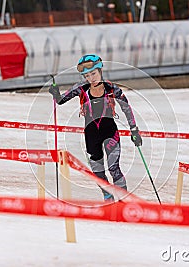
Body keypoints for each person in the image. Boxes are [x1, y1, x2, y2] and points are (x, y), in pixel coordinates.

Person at [48, 54, 142, 201]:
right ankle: (108, 197)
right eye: (87, 75)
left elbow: (126, 108)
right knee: (98, 172)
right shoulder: (81, 88)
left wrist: (134, 130)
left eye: (93, 73)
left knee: (113, 168)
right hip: (91, 135)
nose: (91, 78)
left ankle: (123, 200)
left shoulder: (112, 89)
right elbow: (60, 101)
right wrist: (55, 92)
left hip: (110, 132)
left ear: (100, 71)